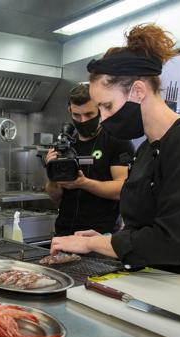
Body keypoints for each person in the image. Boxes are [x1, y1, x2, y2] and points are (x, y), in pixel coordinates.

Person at [50, 24, 180, 275]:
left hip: (175, 283)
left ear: (138, 91)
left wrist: (94, 243)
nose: (103, 118)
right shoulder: (146, 149)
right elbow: (143, 225)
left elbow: (173, 242)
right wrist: (108, 239)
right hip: (143, 278)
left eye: (107, 106)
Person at [45, 83, 133, 236]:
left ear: (100, 109)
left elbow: (122, 189)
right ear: (70, 110)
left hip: (101, 235)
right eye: (76, 116)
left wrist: (84, 183)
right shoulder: (65, 145)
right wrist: (52, 173)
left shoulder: (117, 140)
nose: (83, 120)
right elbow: (55, 196)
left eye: (89, 115)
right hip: (65, 233)